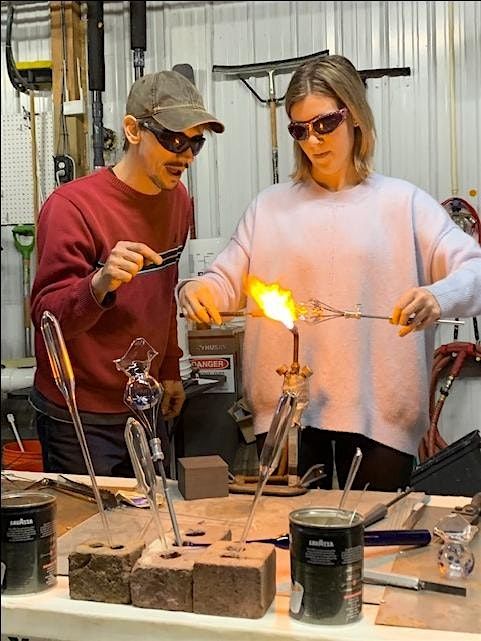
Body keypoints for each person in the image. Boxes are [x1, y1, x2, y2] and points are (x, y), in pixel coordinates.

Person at [178, 55, 481, 492]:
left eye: (324, 124)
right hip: (288, 414)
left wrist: (439, 296)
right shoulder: (270, 208)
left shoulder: (404, 204)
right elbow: (227, 279)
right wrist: (200, 289)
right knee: (290, 541)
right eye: (299, 129)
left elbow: (472, 268)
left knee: (375, 541)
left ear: (354, 116)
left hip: (382, 415)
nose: (313, 141)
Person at [30, 70, 224, 476]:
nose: (186, 155)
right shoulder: (72, 208)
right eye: (174, 140)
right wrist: (98, 285)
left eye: (196, 142)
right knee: (88, 536)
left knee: (154, 528)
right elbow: (46, 317)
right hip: (78, 414)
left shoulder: (178, 201)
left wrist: (170, 369)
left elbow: (164, 293)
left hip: (145, 404)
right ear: (134, 130)